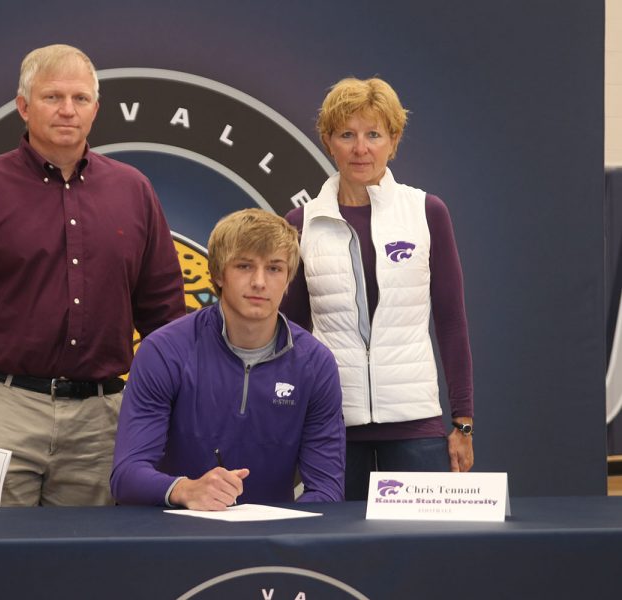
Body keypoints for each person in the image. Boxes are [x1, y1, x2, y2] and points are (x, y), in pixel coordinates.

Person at [0, 44, 186, 507]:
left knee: (90, 569)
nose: (68, 110)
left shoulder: (133, 190)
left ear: (96, 110)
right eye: (52, 97)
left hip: (101, 418)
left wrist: (173, 405)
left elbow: (164, 311)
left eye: (80, 99)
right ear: (23, 107)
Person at [280, 77, 474, 501]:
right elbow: (290, 335)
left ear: (394, 140)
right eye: (346, 135)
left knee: (422, 557)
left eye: (373, 134)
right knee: (336, 557)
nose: (360, 148)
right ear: (328, 141)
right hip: (332, 426)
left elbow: (451, 322)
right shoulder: (301, 223)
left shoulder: (426, 212)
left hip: (415, 423)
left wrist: (463, 422)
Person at [111, 209, 345, 510]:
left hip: (271, 545)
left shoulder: (316, 364)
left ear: (288, 280)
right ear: (218, 274)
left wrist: (278, 527)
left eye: (274, 269)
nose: (260, 282)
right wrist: (185, 490)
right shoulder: (164, 351)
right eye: (245, 266)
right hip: (174, 532)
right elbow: (127, 475)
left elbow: (327, 488)